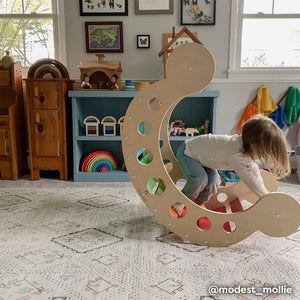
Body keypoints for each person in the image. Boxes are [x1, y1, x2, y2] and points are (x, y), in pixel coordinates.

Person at [173, 114, 291, 216]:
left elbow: (254, 171)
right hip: (188, 152)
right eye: (261, 153)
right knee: (200, 179)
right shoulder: (237, 155)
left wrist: (265, 194)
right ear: (253, 146)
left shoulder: (245, 149)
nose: (262, 157)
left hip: (204, 159)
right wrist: (263, 196)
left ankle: (197, 204)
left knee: (214, 182)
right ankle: (180, 201)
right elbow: (250, 179)